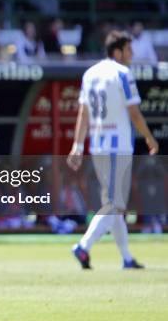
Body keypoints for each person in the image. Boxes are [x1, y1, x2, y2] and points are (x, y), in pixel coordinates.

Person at [67, 30, 159, 270]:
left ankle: (127, 258)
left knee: (114, 204)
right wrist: (149, 138)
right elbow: (134, 112)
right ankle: (83, 246)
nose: (132, 54)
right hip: (118, 146)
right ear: (117, 51)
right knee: (115, 204)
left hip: (98, 145)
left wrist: (77, 145)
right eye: (129, 50)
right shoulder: (122, 73)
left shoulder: (90, 74)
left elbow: (83, 113)